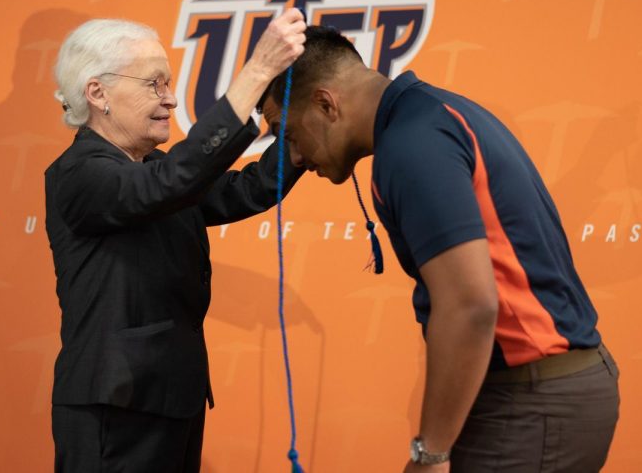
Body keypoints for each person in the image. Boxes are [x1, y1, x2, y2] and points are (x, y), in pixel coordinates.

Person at [261, 26, 620, 473]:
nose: (292, 158)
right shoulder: (433, 115)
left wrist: (430, 452)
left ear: (325, 103)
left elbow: (470, 305)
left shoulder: (413, 145)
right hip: (541, 394)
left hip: (531, 400)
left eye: (288, 134)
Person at [45, 9, 306, 472]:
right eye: (154, 84)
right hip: (117, 406)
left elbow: (243, 190)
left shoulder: (153, 171)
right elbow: (176, 179)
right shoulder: (78, 174)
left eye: (169, 84)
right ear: (97, 93)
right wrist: (258, 70)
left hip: (172, 399)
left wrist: (301, 134)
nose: (170, 101)